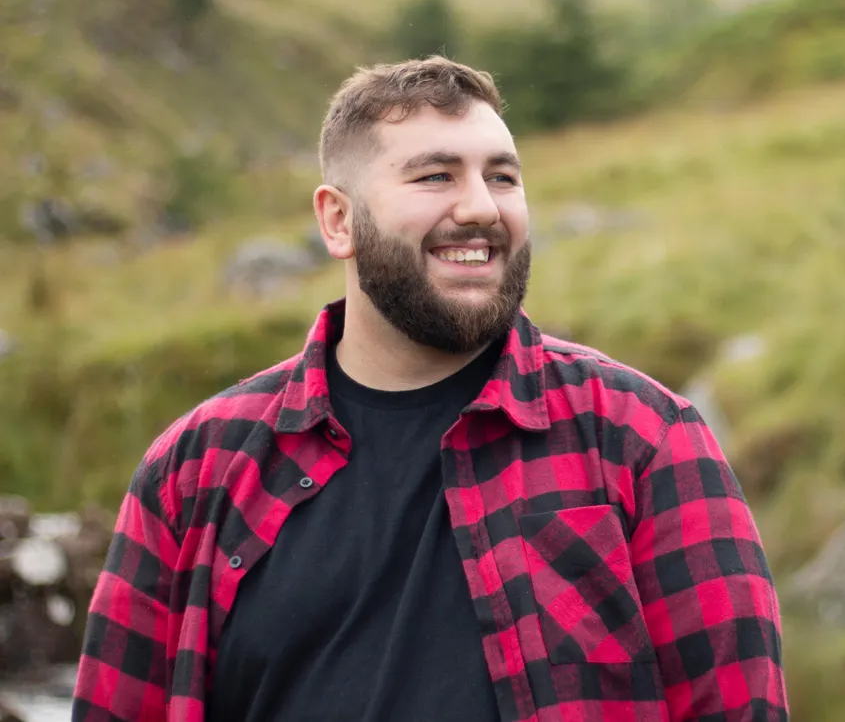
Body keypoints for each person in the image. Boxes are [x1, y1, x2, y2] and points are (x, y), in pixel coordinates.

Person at [71, 57, 789, 722]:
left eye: (502, 176)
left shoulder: (642, 439)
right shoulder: (194, 471)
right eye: (436, 176)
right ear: (338, 219)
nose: (482, 207)